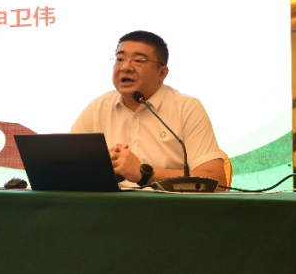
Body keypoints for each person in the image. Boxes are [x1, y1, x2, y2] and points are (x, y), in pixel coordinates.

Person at [70, 30, 227, 187]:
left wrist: (143, 173)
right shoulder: (98, 108)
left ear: (162, 73)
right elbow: (66, 167)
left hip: (167, 202)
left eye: (139, 61)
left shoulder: (186, 108)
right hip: (112, 202)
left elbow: (217, 181)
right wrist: (102, 171)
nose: (125, 67)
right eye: (120, 59)